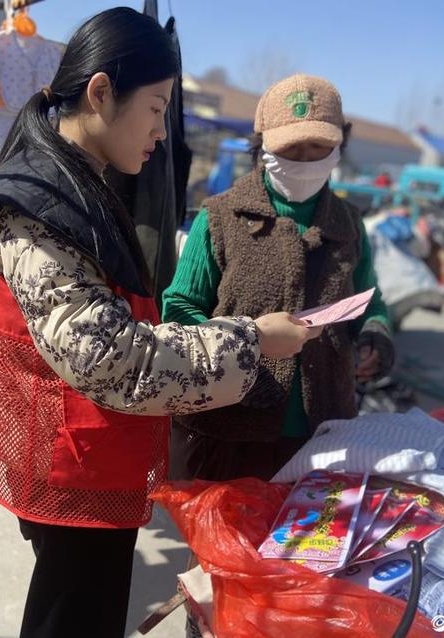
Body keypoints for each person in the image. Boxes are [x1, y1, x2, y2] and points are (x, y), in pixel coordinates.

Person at [0, 10, 320, 638]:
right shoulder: (35, 208)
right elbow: (115, 360)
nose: (160, 131)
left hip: (84, 454)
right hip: (71, 465)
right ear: (100, 93)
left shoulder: (78, 184)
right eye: (155, 108)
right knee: (72, 614)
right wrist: (254, 340)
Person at [162, 74, 395, 483]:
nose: (305, 159)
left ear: (340, 145)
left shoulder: (349, 225)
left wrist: (375, 335)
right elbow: (180, 309)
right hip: (227, 431)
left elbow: (369, 302)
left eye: (318, 148)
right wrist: (245, 342)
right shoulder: (219, 217)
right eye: (292, 149)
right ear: (263, 145)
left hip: (323, 433)